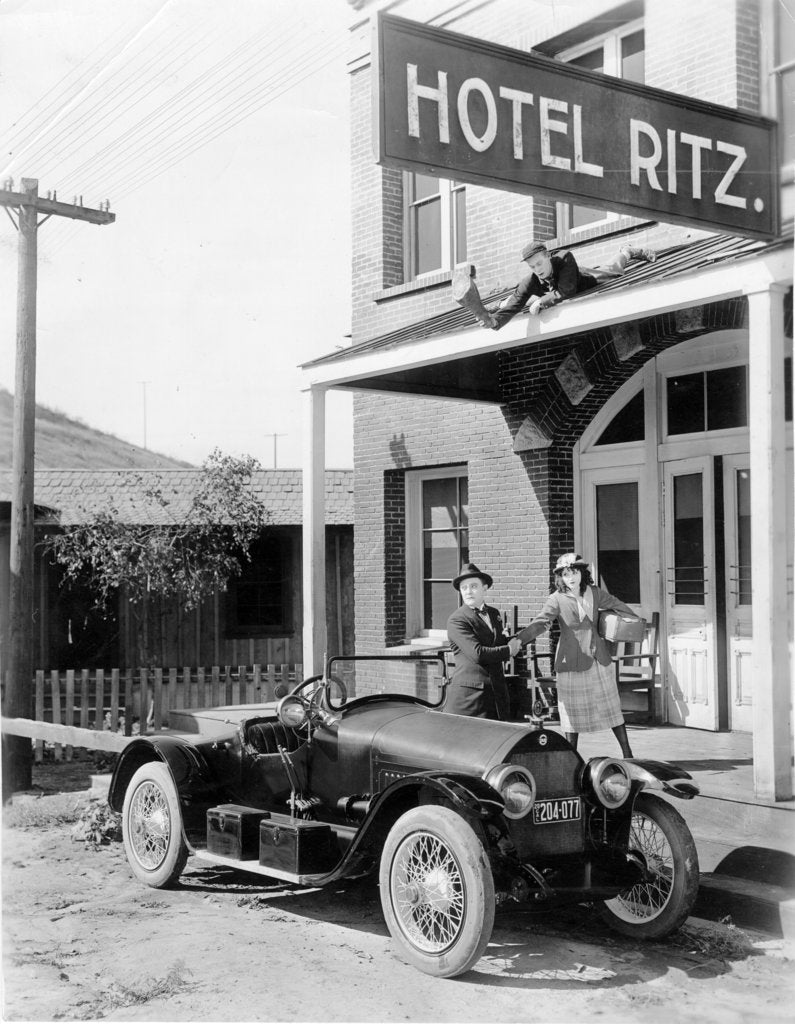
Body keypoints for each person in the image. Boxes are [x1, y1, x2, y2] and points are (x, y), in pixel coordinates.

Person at [516, 553, 638, 757]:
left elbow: (617, 605)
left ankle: (628, 754)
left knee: (612, 709)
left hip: (599, 658)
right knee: (571, 714)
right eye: (565, 574)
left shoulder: (595, 593)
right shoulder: (556, 599)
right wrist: (520, 639)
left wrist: (633, 621)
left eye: (574, 572)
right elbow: (541, 622)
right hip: (571, 660)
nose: (570, 578)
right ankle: (570, 757)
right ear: (560, 577)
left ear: (582, 573)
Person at [487, 241, 656, 330]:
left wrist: (542, 301)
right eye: (532, 267)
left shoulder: (564, 258)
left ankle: (627, 251)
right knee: (522, 299)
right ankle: (497, 305)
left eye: (539, 264)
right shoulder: (530, 280)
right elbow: (515, 304)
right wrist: (494, 322)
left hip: (587, 280)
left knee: (614, 270)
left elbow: (567, 290)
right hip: (555, 290)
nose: (537, 270)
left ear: (548, 256)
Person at [445, 563, 522, 720]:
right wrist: (509, 650)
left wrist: (514, 640)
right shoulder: (457, 619)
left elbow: (495, 642)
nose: (468, 591)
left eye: (474, 586)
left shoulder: (494, 614)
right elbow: (478, 654)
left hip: (497, 696)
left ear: (484, 588)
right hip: (470, 700)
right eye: (464, 587)